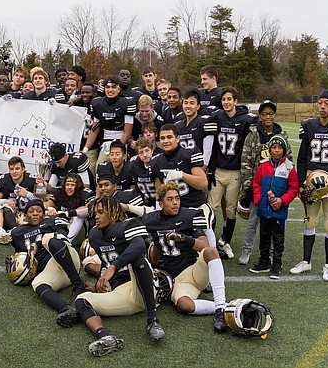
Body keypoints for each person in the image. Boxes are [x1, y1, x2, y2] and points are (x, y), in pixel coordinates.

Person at [73, 196, 164, 357]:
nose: (96, 216)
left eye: (101, 212)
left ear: (114, 213)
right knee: (81, 300)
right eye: (95, 213)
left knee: (137, 260)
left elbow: (138, 246)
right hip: (121, 294)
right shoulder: (94, 235)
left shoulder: (129, 224)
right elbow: (104, 260)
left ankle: (153, 320)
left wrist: (114, 267)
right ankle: (105, 336)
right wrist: (98, 284)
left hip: (142, 288)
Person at [142, 182, 228, 333]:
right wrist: (154, 264)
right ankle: (224, 307)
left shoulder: (190, 215)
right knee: (184, 305)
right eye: (170, 199)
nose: (175, 202)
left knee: (212, 251)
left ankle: (221, 309)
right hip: (175, 279)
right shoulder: (151, 220)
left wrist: (184, 239)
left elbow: (204, 245)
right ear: (161, 204)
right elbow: (155, 249)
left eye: (177, 198)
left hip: (194, 270)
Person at [9, 199, 85, 328]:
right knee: (38, 284)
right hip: (53, 270)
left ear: (44, 213)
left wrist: (38, 243)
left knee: (49, 238)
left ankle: (78, 284)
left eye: (39, 211)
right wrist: (13, 260)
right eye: (31, 211)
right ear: (26, 214)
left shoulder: (52, 221)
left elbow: (62, 237)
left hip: (68, 259)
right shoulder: (17, 233)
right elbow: (21, 254)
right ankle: (66, 309)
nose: (35, 214)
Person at [291, 89, 328, 281]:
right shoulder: (309, 125)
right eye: (320, 103)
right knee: (310, 221)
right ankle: (306, 261)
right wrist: (301, 183)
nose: (322, 107)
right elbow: (302, 157)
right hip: (311, 178)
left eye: (327, 103)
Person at [238, 100, 291, 265]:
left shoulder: (282, 135)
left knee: (273, 223)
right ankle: (247, 251)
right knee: (253, 222)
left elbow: (288, 160)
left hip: (277, 186)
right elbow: (245, 161)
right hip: (258, 186)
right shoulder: (252, 135)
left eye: (270, 114)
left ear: (275, 115)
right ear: (260, 116)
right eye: (264, 114)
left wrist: (285, 186)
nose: (268, 117)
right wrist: (248, 186)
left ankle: (271, 253)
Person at [208, 87, 257, 259]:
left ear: (236, 101)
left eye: (229, 99)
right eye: (224, 99)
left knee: (230, 210)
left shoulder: (245, 120)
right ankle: (210, 242)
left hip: (235, 172)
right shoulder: (217, 117)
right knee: (210, 208)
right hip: (218, 170)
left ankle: (226, 240)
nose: (226, 102)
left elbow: (260, 123)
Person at [151, 124, 215, 246]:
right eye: (162, 138)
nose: (166, 141)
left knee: (205, 226)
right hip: (175, 209)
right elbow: (159, 192)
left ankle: (213, 256)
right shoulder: (156, 161)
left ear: (178, 138)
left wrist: (181, 175)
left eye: (169, 137)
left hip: (196, 205)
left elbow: (203, 183)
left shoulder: (190, 153)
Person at [250, 135, 299, 279]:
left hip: (279, 211)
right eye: (274, 148)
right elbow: (256, 184)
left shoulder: (289, 167)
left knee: (278, 239)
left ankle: (276, 265)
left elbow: (293, 188)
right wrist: (259, 200)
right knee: (264, 236)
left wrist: (282, 201)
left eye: (280, 148)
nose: (277, 151)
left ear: (284, 150)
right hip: (264, 210)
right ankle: (264, 261)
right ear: (269, 149)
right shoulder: (263, 166)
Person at [84, 77, 136, 165]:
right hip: (105, 142)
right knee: (99, 167)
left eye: (113, 87)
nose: (110, 90)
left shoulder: (127, 103)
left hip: (121, 141)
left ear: (119, 89)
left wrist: (115, 150)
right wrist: (85, 150)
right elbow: (94, 130)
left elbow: (127, 133)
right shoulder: (97, 103)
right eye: (107, 87)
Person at [0, 156, 37, 243]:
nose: (14, 172)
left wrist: (28, 194)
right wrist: (5, 201)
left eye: (17, 168)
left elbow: (42, 202)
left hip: (26, 214)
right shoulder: (4, 180)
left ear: (23, 169)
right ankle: (14, 230)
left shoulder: (31, 180)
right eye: (12, 169)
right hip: (11, 215)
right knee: (6, 207)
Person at [175, 89, 217, 168]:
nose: (188, 106)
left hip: (198, 167)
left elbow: (208, 150)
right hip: (182, 168)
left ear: (198, 106)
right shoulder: (177, 125)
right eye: (186, 103)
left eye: (192, 103)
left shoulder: (205, 122)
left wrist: (202, 169)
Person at [44, 173, 90, 243]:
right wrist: (50, 210)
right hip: (61, 226)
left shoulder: (85, 194)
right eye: (67, 184)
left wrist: (67, 213)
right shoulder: (59, 192)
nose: (69, 187)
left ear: (78, 186)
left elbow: (88, 209)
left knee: (79, 216)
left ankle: (66, 242)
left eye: (72, 185)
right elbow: (46, 205)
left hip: (79, 232)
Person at [130, 138, 158, 206]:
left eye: (147, 150)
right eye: (141, 152)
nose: (145, 155)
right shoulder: (134, 166)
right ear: (137, 154)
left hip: (159, 201)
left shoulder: (158, 163)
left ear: (152, 150)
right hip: (146, 201)